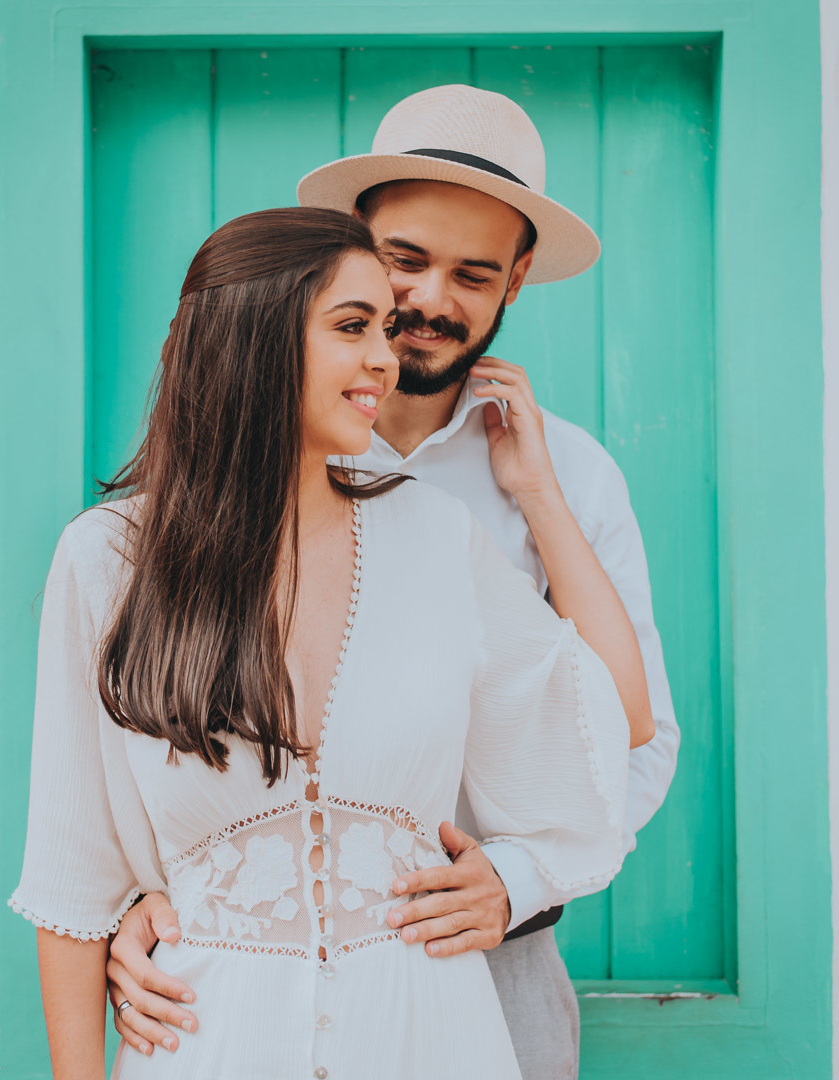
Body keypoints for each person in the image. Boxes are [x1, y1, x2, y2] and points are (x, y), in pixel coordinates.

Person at [106, 86, 677, 1078]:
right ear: (353, 248)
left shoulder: (571, 475)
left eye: (473, 274)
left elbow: (636, 734)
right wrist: (146, 898)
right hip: (248, 977)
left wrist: (515, 877)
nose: (429, 303)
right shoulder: (233, 474)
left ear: (519, 279)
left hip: (491, 955)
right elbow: (140, 709)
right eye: (406, 261)